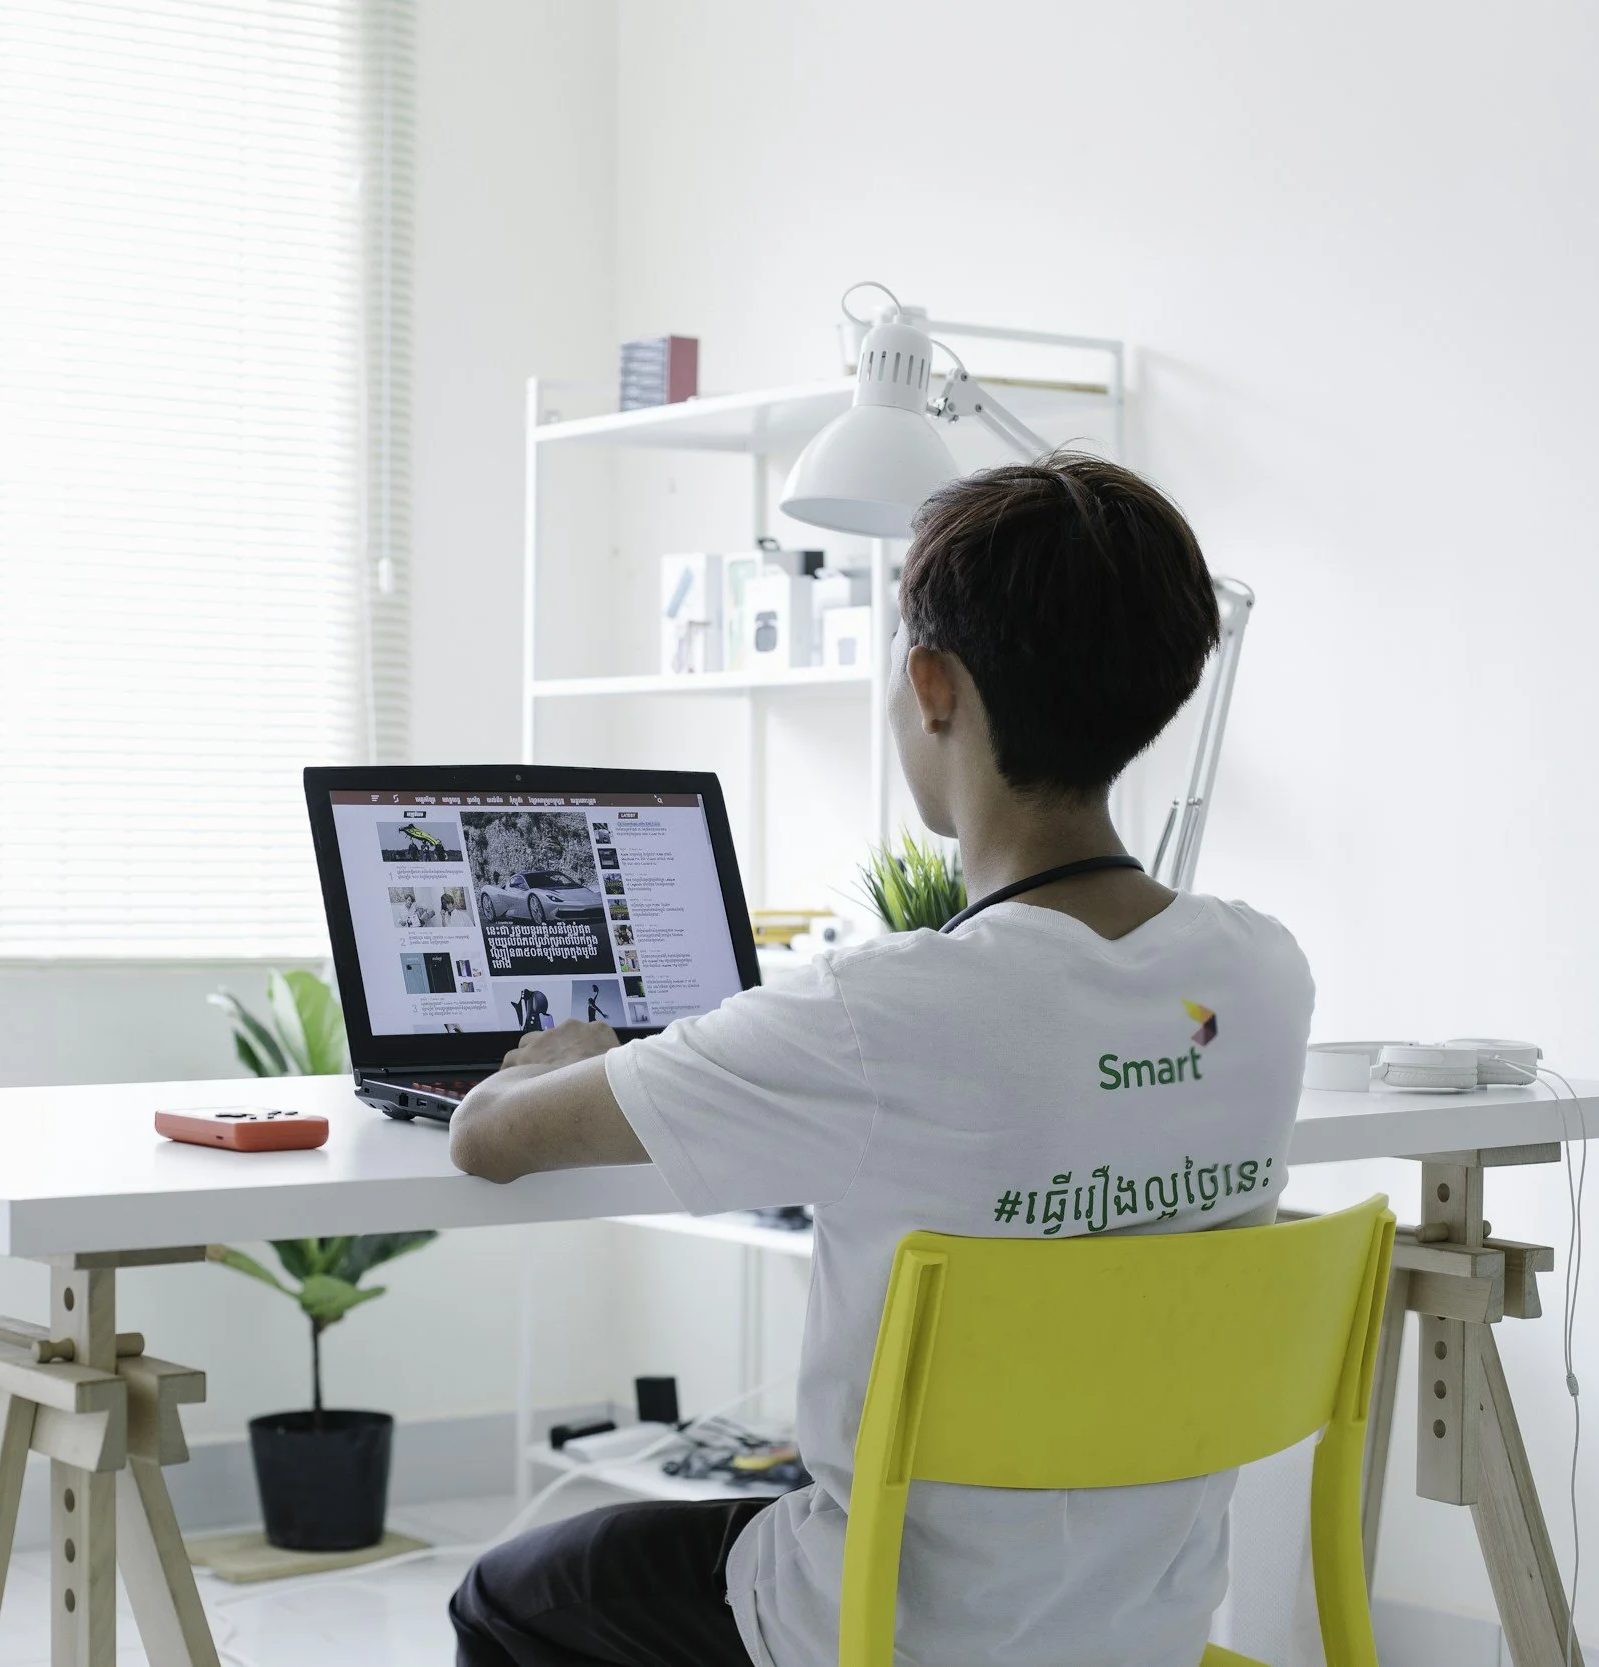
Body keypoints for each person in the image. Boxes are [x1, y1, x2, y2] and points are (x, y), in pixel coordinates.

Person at [445, 454, 1314, 1667]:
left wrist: (568, 1055)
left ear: (932, 683)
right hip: (1147, 1627)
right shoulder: (1264, 975)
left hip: (887, 1628)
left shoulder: (879, 1008)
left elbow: (487, 1140)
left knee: (508, 1592)